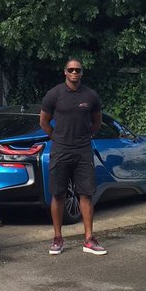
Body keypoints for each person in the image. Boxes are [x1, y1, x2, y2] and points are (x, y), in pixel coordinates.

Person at [40, 57, 105, 255]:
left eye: (78, 70)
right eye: (71, 70)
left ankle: (88, 240)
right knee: (58, 194)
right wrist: (57, 138)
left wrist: (84, 136)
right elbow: (44, 122)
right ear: (65, 72)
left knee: (85, 194)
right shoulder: (54, 94)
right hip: (60, 151)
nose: (74, 73)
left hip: (83, 151)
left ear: (82, 72)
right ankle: (58, 239)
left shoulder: (91, 95)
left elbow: (97, 122)